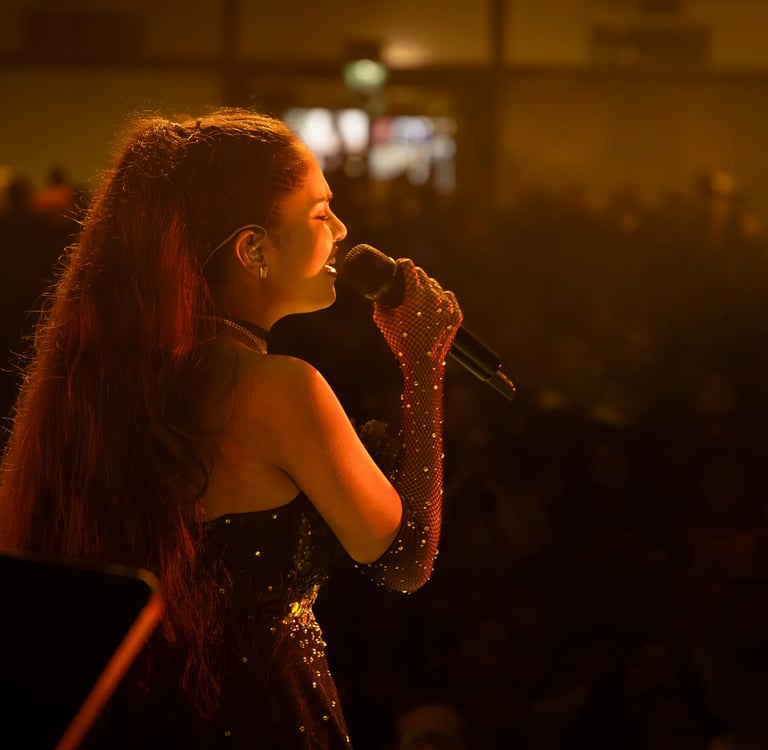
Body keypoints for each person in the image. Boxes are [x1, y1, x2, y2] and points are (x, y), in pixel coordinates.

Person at [0, 107, 462, 748]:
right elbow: (406, 557)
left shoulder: (101, 388)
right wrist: (423, 367)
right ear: (254, 250)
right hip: (258, 716)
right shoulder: (278, 390)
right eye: (320, 212)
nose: (342, 229)